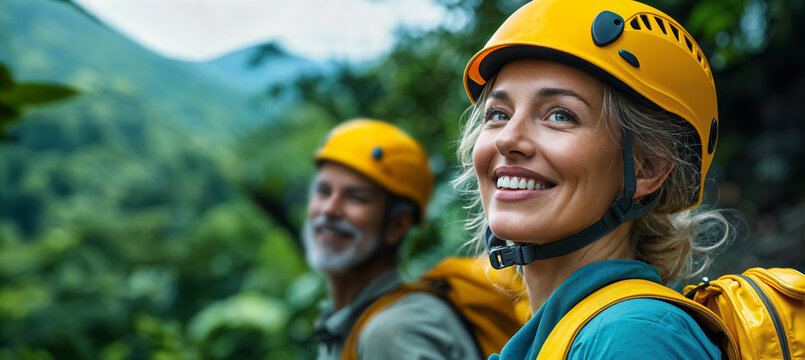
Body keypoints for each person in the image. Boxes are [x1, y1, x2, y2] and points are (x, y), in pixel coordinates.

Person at [454, 0, 733, 358]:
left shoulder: (633, 338)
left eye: (560, 115)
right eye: (497, 113)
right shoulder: (576, 333)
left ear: (648, 167)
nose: (507, 139)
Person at [305, 119, 482, 359]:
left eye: (356, 197)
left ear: (397, 225)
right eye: (323, 191)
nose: (329, 209)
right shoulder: (344, 325)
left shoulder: (393, 331)